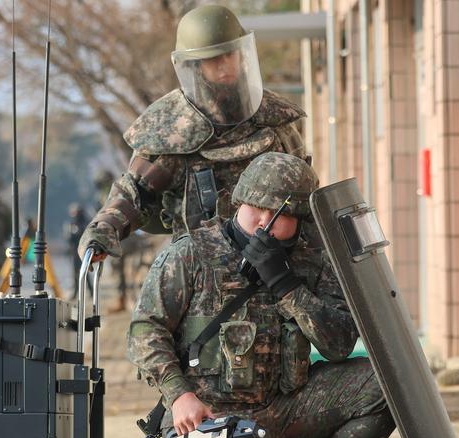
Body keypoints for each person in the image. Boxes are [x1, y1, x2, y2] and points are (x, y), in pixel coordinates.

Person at [127, 153, 395, 438]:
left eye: (277, 213)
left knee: (388, 383)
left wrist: (287, 286)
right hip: (209, 421)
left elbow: (338, 344)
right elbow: (144, 331)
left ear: (298, 220)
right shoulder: (192, 253)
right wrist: (179, 395)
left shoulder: (311, 261)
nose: (263, 221)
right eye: (256, 208)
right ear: (240, 202)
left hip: (280, 411)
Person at [78, 4, 309, 264]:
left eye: (229, 55)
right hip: (199, 275)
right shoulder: (172, 129)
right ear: (195, 66)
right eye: (213, 59)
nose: (223, 66)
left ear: (242, 55)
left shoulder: (276, 121)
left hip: (278, 266)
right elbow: (134, 194)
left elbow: (306, 195)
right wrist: (103, 230)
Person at [66, 203, 90, 298]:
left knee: (83, 271)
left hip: (82, 250)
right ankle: (77, 292)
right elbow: (70, 238)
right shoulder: (74, 222)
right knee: (77, 271)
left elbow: (79, 235)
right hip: (76, 250)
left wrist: (73, 234)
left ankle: (88, 291)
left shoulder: (82, 222)